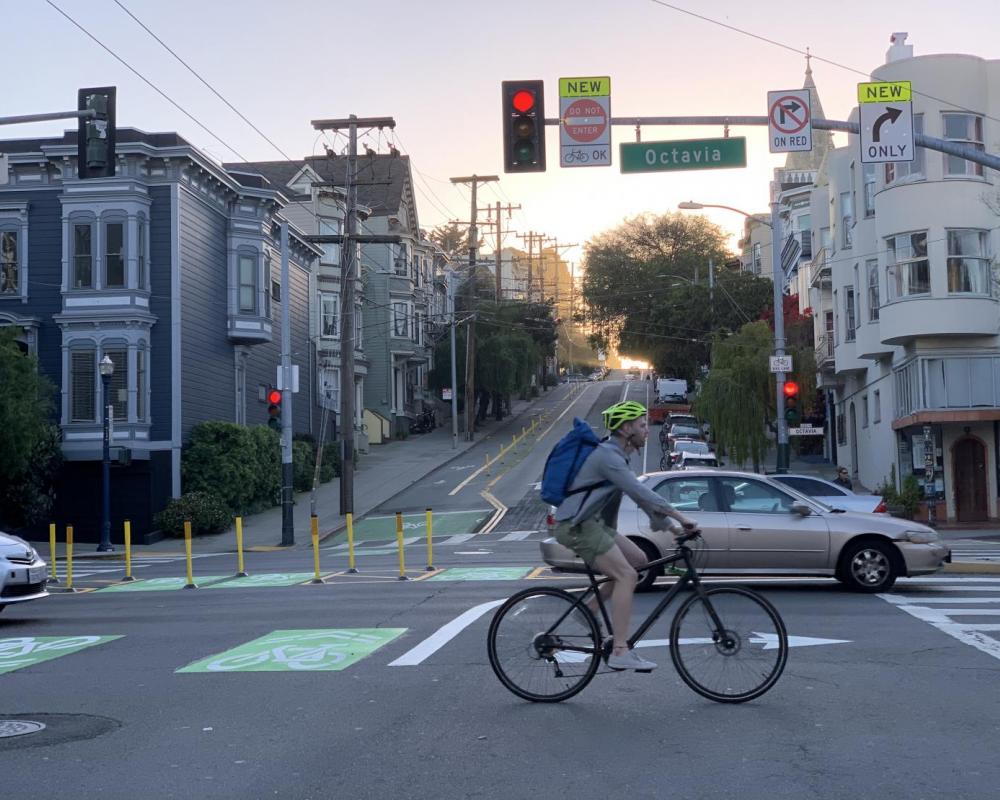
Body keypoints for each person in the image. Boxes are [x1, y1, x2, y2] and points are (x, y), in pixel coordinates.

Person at [552, 400, 700, 671]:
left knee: (639, 560)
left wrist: (672, 528)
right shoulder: (608, 456)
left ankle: (587, 610)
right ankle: (620, 650)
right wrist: (682, 517)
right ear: (625, 428)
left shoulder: (619, 456)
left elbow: (639, 499)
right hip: (577, 526)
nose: (648, 430)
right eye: (642, 425)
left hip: (593, 524)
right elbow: (642, 492)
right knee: (627, 575)